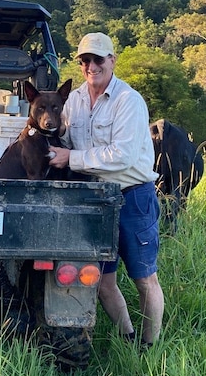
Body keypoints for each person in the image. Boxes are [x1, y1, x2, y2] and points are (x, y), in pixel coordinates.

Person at [49, 32, 163, 349]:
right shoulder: (75, 100)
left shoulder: (129, 102)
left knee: (144, 278)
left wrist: (70, 157)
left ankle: (149, 345)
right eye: (85, 60)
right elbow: (67, 138)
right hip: (93, 199)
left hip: (131, 195)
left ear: (112, 60)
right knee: (101, 280)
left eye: (98, 59)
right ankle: (128, 338)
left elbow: (121, 156)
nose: (91, 66)